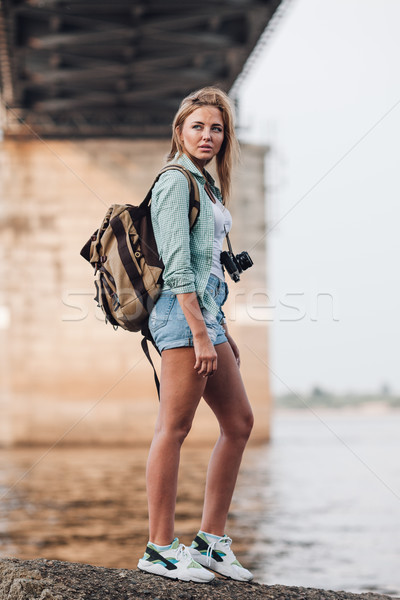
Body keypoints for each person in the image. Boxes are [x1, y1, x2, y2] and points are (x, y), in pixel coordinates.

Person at [137, 87, 254, 583]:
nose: (208, 136)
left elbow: (209, 268)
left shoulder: (207, 185)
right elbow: (180, 271)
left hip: (208, 318)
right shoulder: (174, 182)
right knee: (175, 429)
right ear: (180, 131)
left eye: (217, 128)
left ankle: (209, 541)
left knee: (239, 422)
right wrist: (202, 334)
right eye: (198, 126)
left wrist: (220, 330)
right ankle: (160, 548)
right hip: (182, 318)